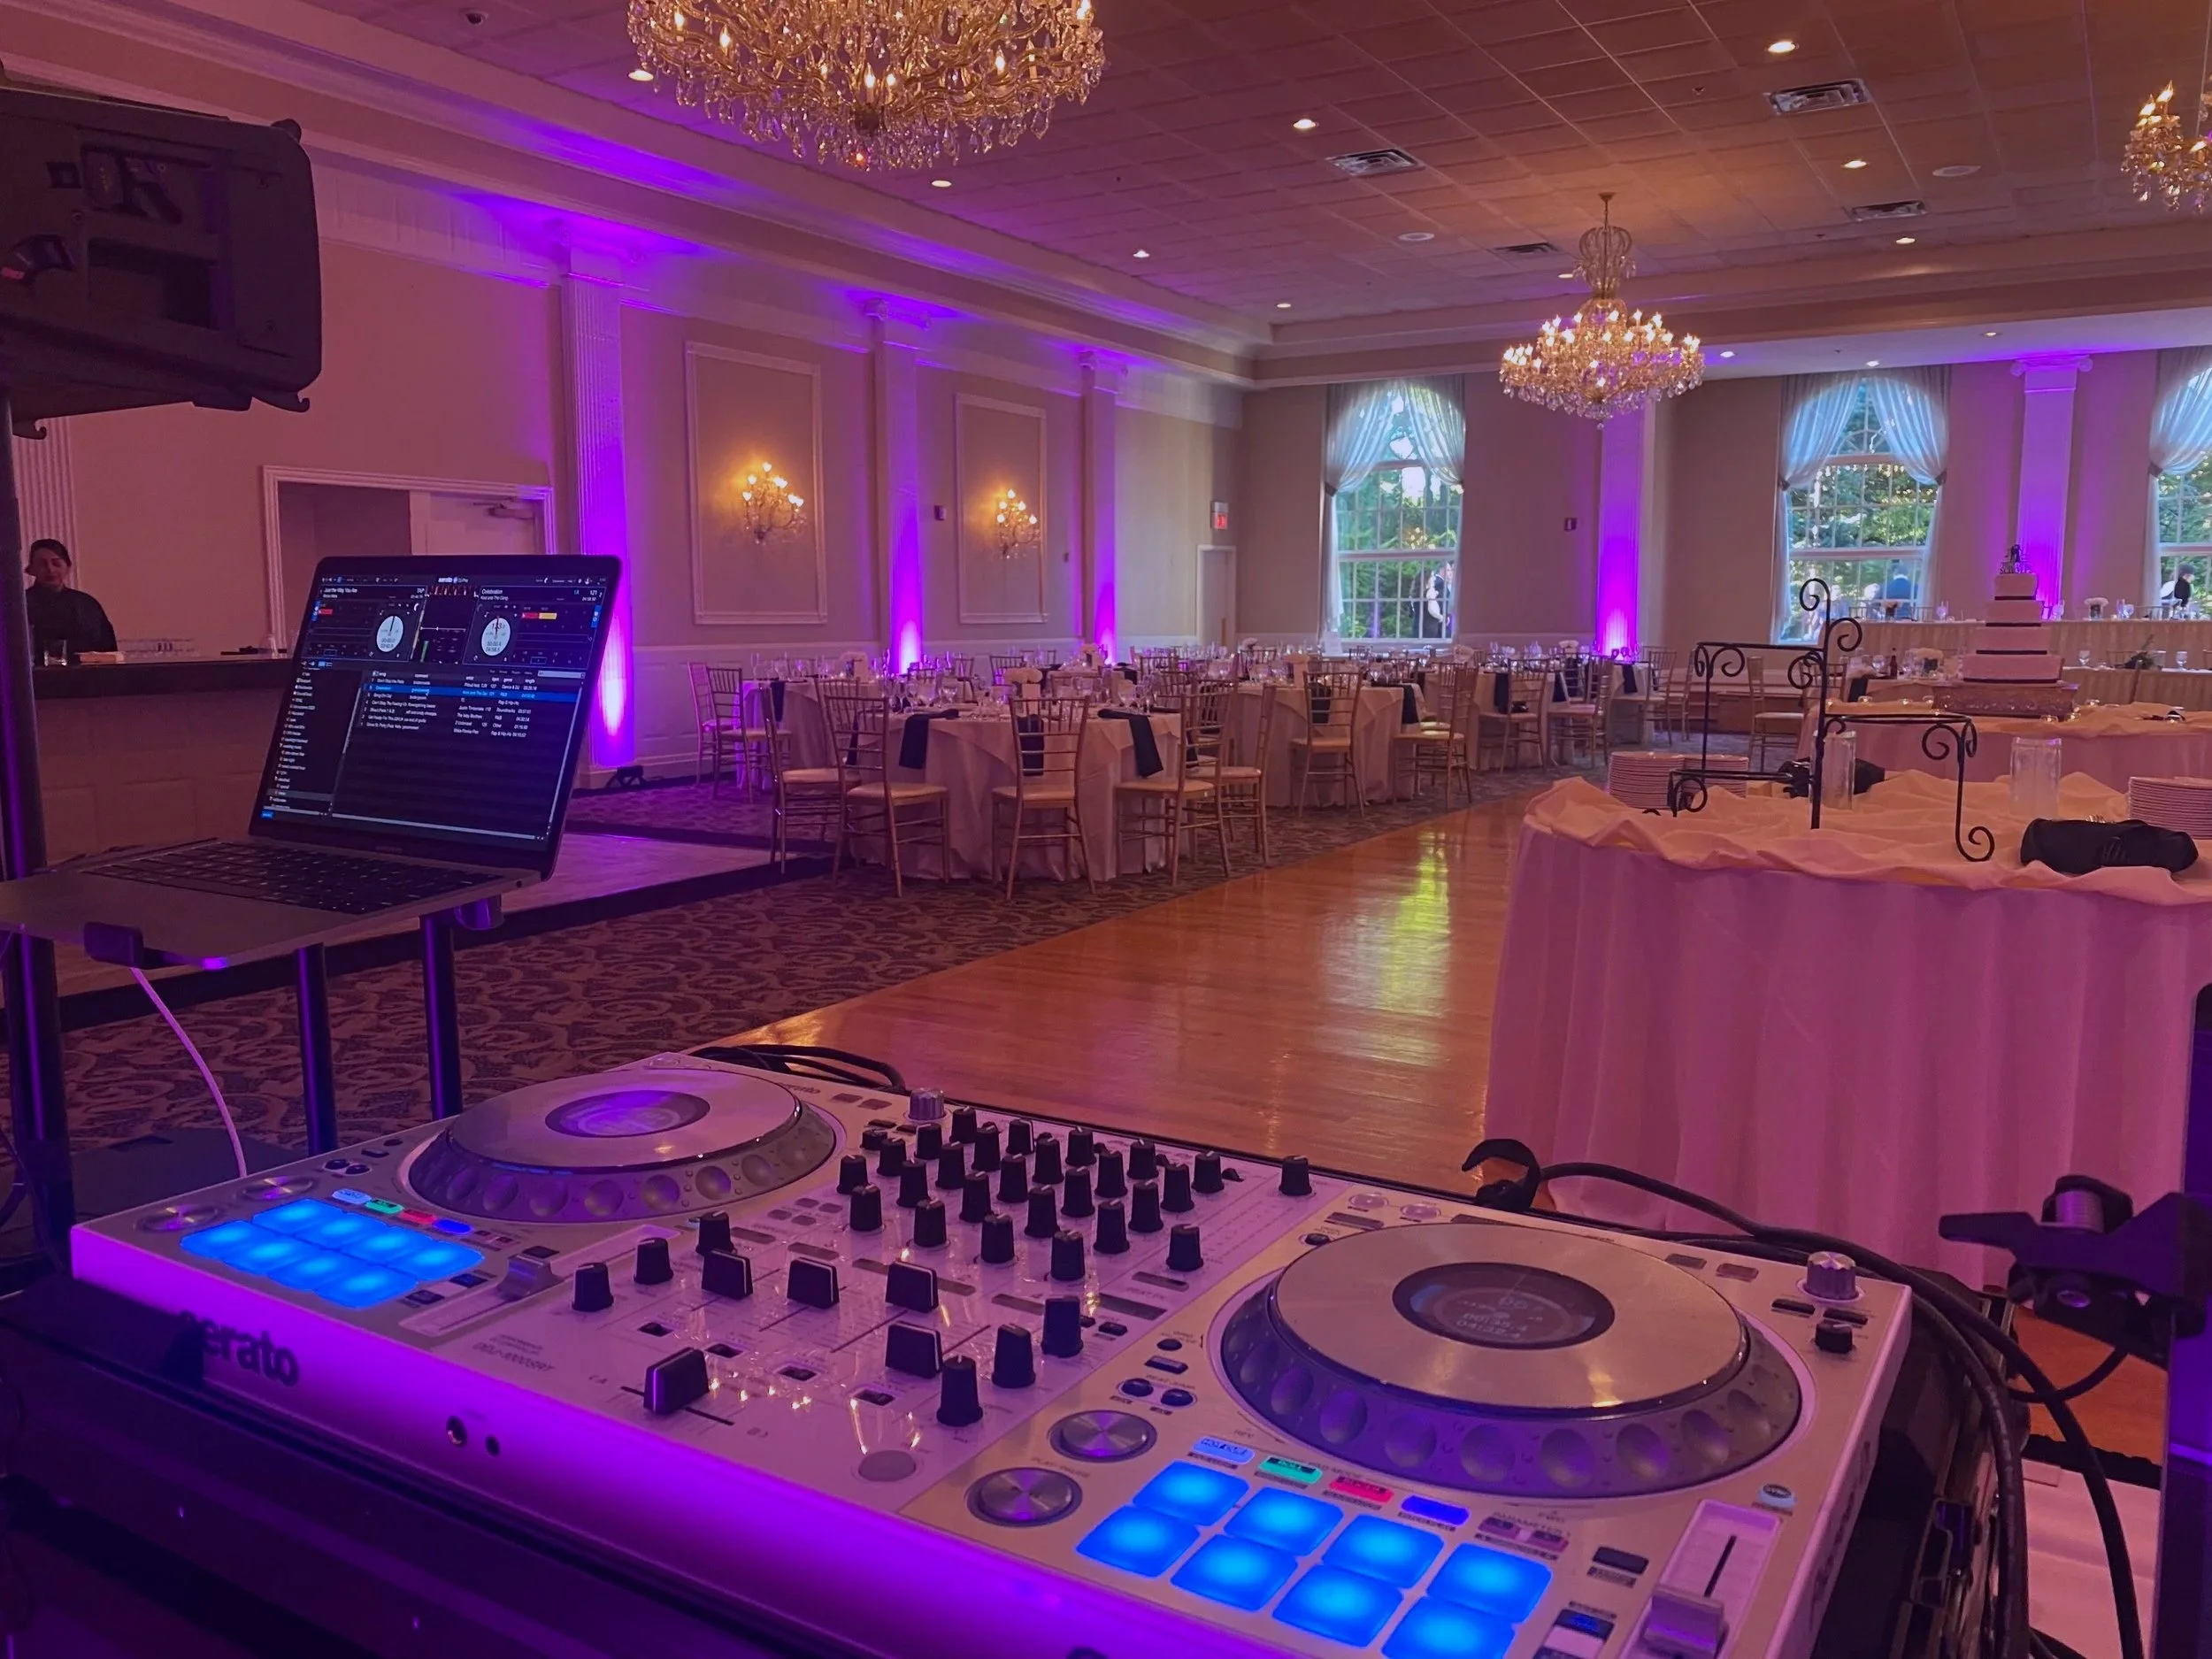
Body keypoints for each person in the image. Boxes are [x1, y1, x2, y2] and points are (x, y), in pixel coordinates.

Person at [24, 538, 116, 661]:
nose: (50, 570)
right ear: (32, 569)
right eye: (42, 564)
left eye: (56, 563)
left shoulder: (87, 605)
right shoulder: (20, 605)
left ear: (67, 568)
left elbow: (107, 652)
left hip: (87, 677)